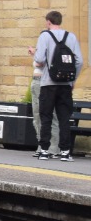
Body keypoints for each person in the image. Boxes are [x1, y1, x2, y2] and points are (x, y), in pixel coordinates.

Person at [33, 10, 84, 161]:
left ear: (48, 22)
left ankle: (44, 150)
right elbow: (79, 61)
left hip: (48, 83)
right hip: (65, 84)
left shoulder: (45, 36)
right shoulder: (71, 36)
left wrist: (36, 57)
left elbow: (40, 59)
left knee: (46, 116)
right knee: (64, 117)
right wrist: (72, 80)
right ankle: (65, 152)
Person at [28, 44, 60, 158]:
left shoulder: (52, 48)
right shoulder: (42, 49)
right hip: (36, 82)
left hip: (46, 82)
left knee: (51, 114)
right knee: (37, 115)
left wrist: (35, 54)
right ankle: (41, 145)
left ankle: (53, 147)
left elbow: (40, 63)